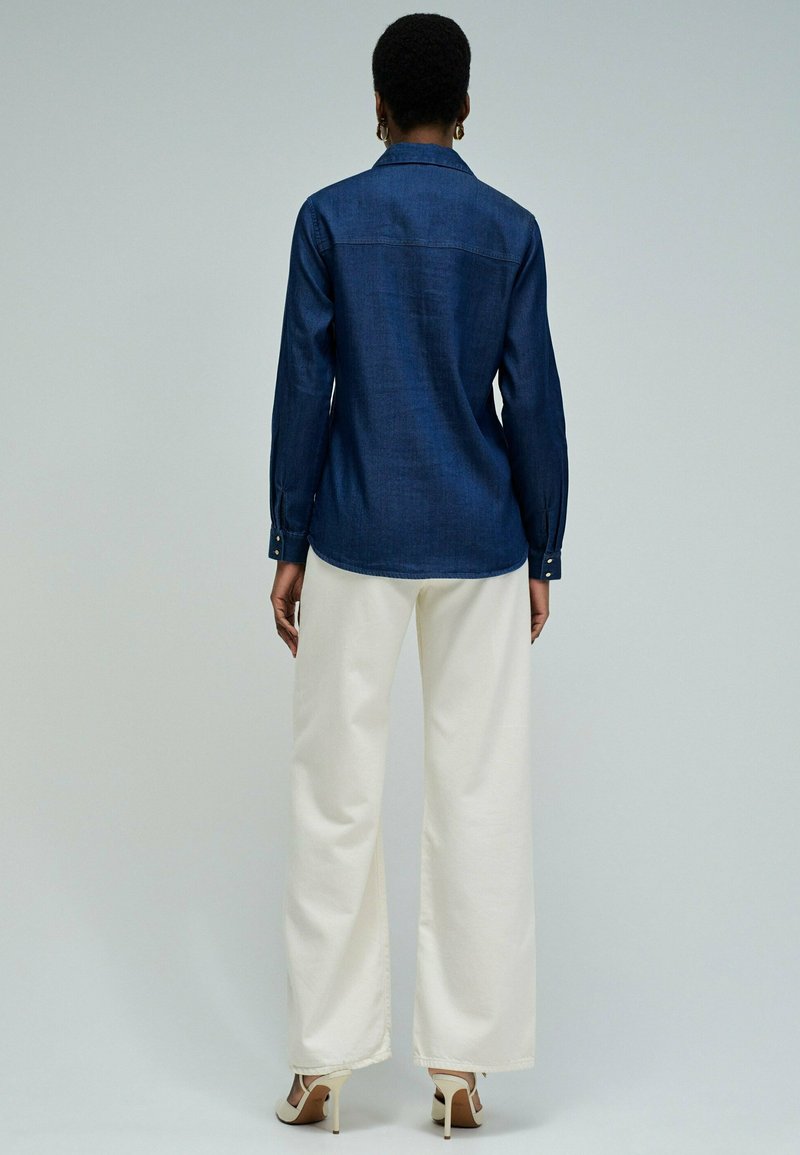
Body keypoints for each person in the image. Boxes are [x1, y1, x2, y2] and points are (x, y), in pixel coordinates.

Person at [271, 13, 568, 1139]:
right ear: (467, 107)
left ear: (378, 106)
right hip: (481, 539)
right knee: (480, 792)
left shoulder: (328, 219)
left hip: (353, 532)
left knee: (335, 795)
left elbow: (303, 390)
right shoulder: (510, 230)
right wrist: (543, 548)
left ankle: (321, 1065)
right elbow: (531, 399)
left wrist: (287, 541)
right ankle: (460, 1071)